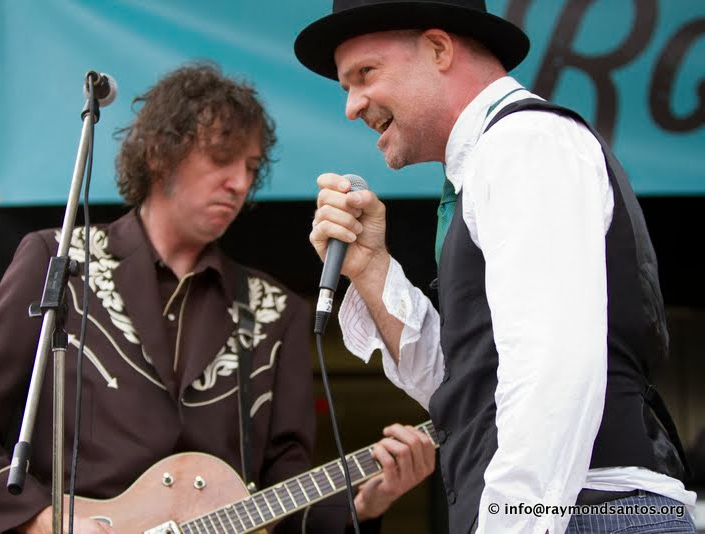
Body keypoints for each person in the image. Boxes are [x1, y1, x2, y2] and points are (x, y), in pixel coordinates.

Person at [0, 62, 435, 533]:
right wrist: (43, 520)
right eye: (222, 158)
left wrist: (364, 504)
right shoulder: (60, 260)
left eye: (251, 167)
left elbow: (284, 493)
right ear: (158, 153)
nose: (240, 182)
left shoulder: (275, 311)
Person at [294, 0, 698, 532]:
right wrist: (371, 268)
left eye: (365, 73)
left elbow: (549, 372)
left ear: (439, 48)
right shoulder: (496, 156)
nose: (352, 106)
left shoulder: (524, 143)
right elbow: (470, 388)